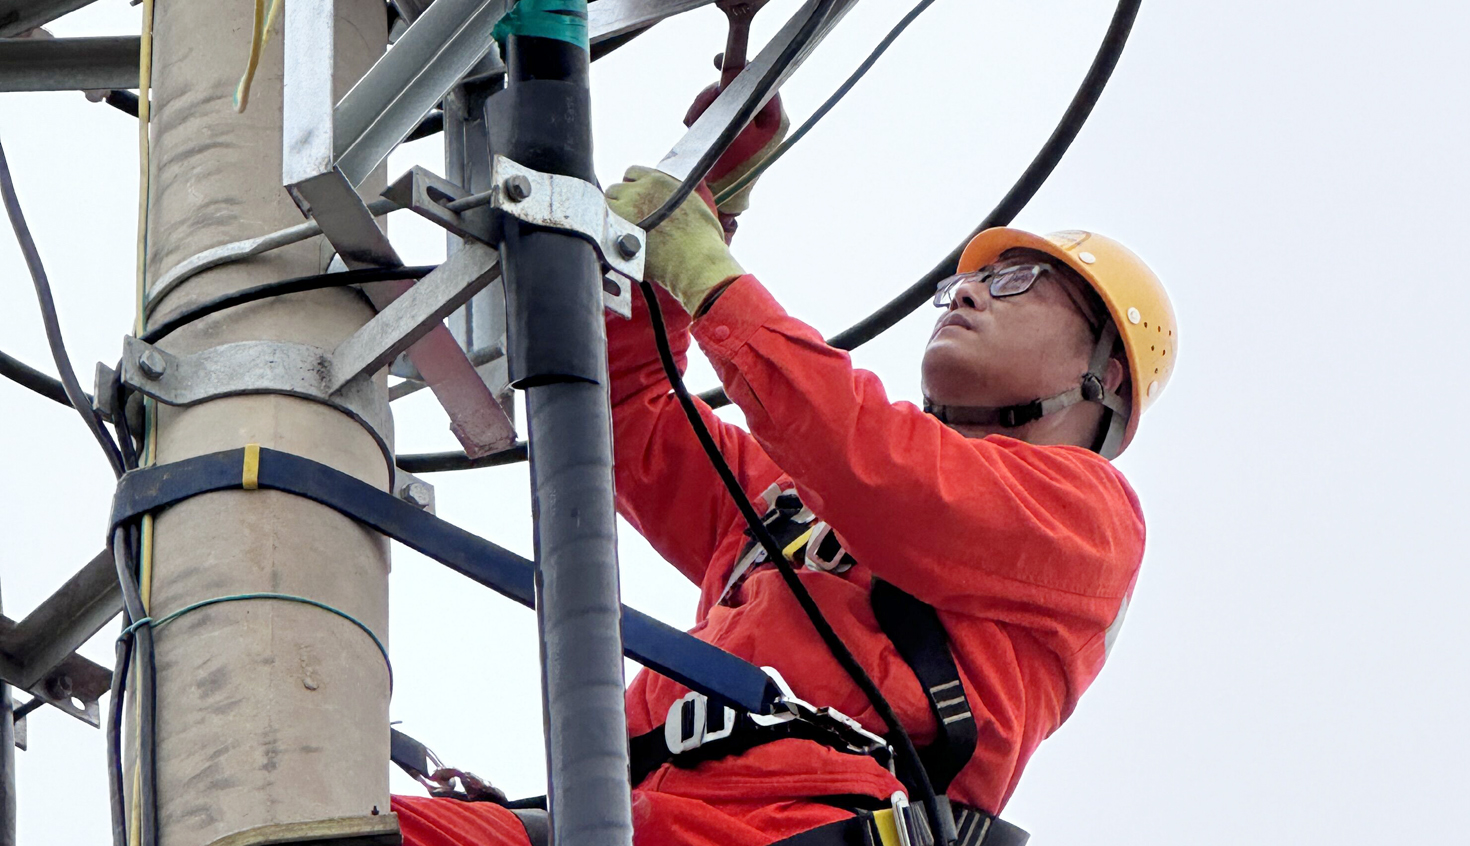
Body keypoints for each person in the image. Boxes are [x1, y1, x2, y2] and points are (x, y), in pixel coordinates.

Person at [392, 122, 1176, 846]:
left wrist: (708, 274)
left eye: (1018, 282)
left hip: (808, 829)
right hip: (630, 820)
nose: (967, 292)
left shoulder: (1090, 520)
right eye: (965, 282)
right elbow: (626, 412)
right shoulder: (793, 502)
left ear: (1104, 375)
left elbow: (879, 468)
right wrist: (703, 193)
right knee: (340, 821)